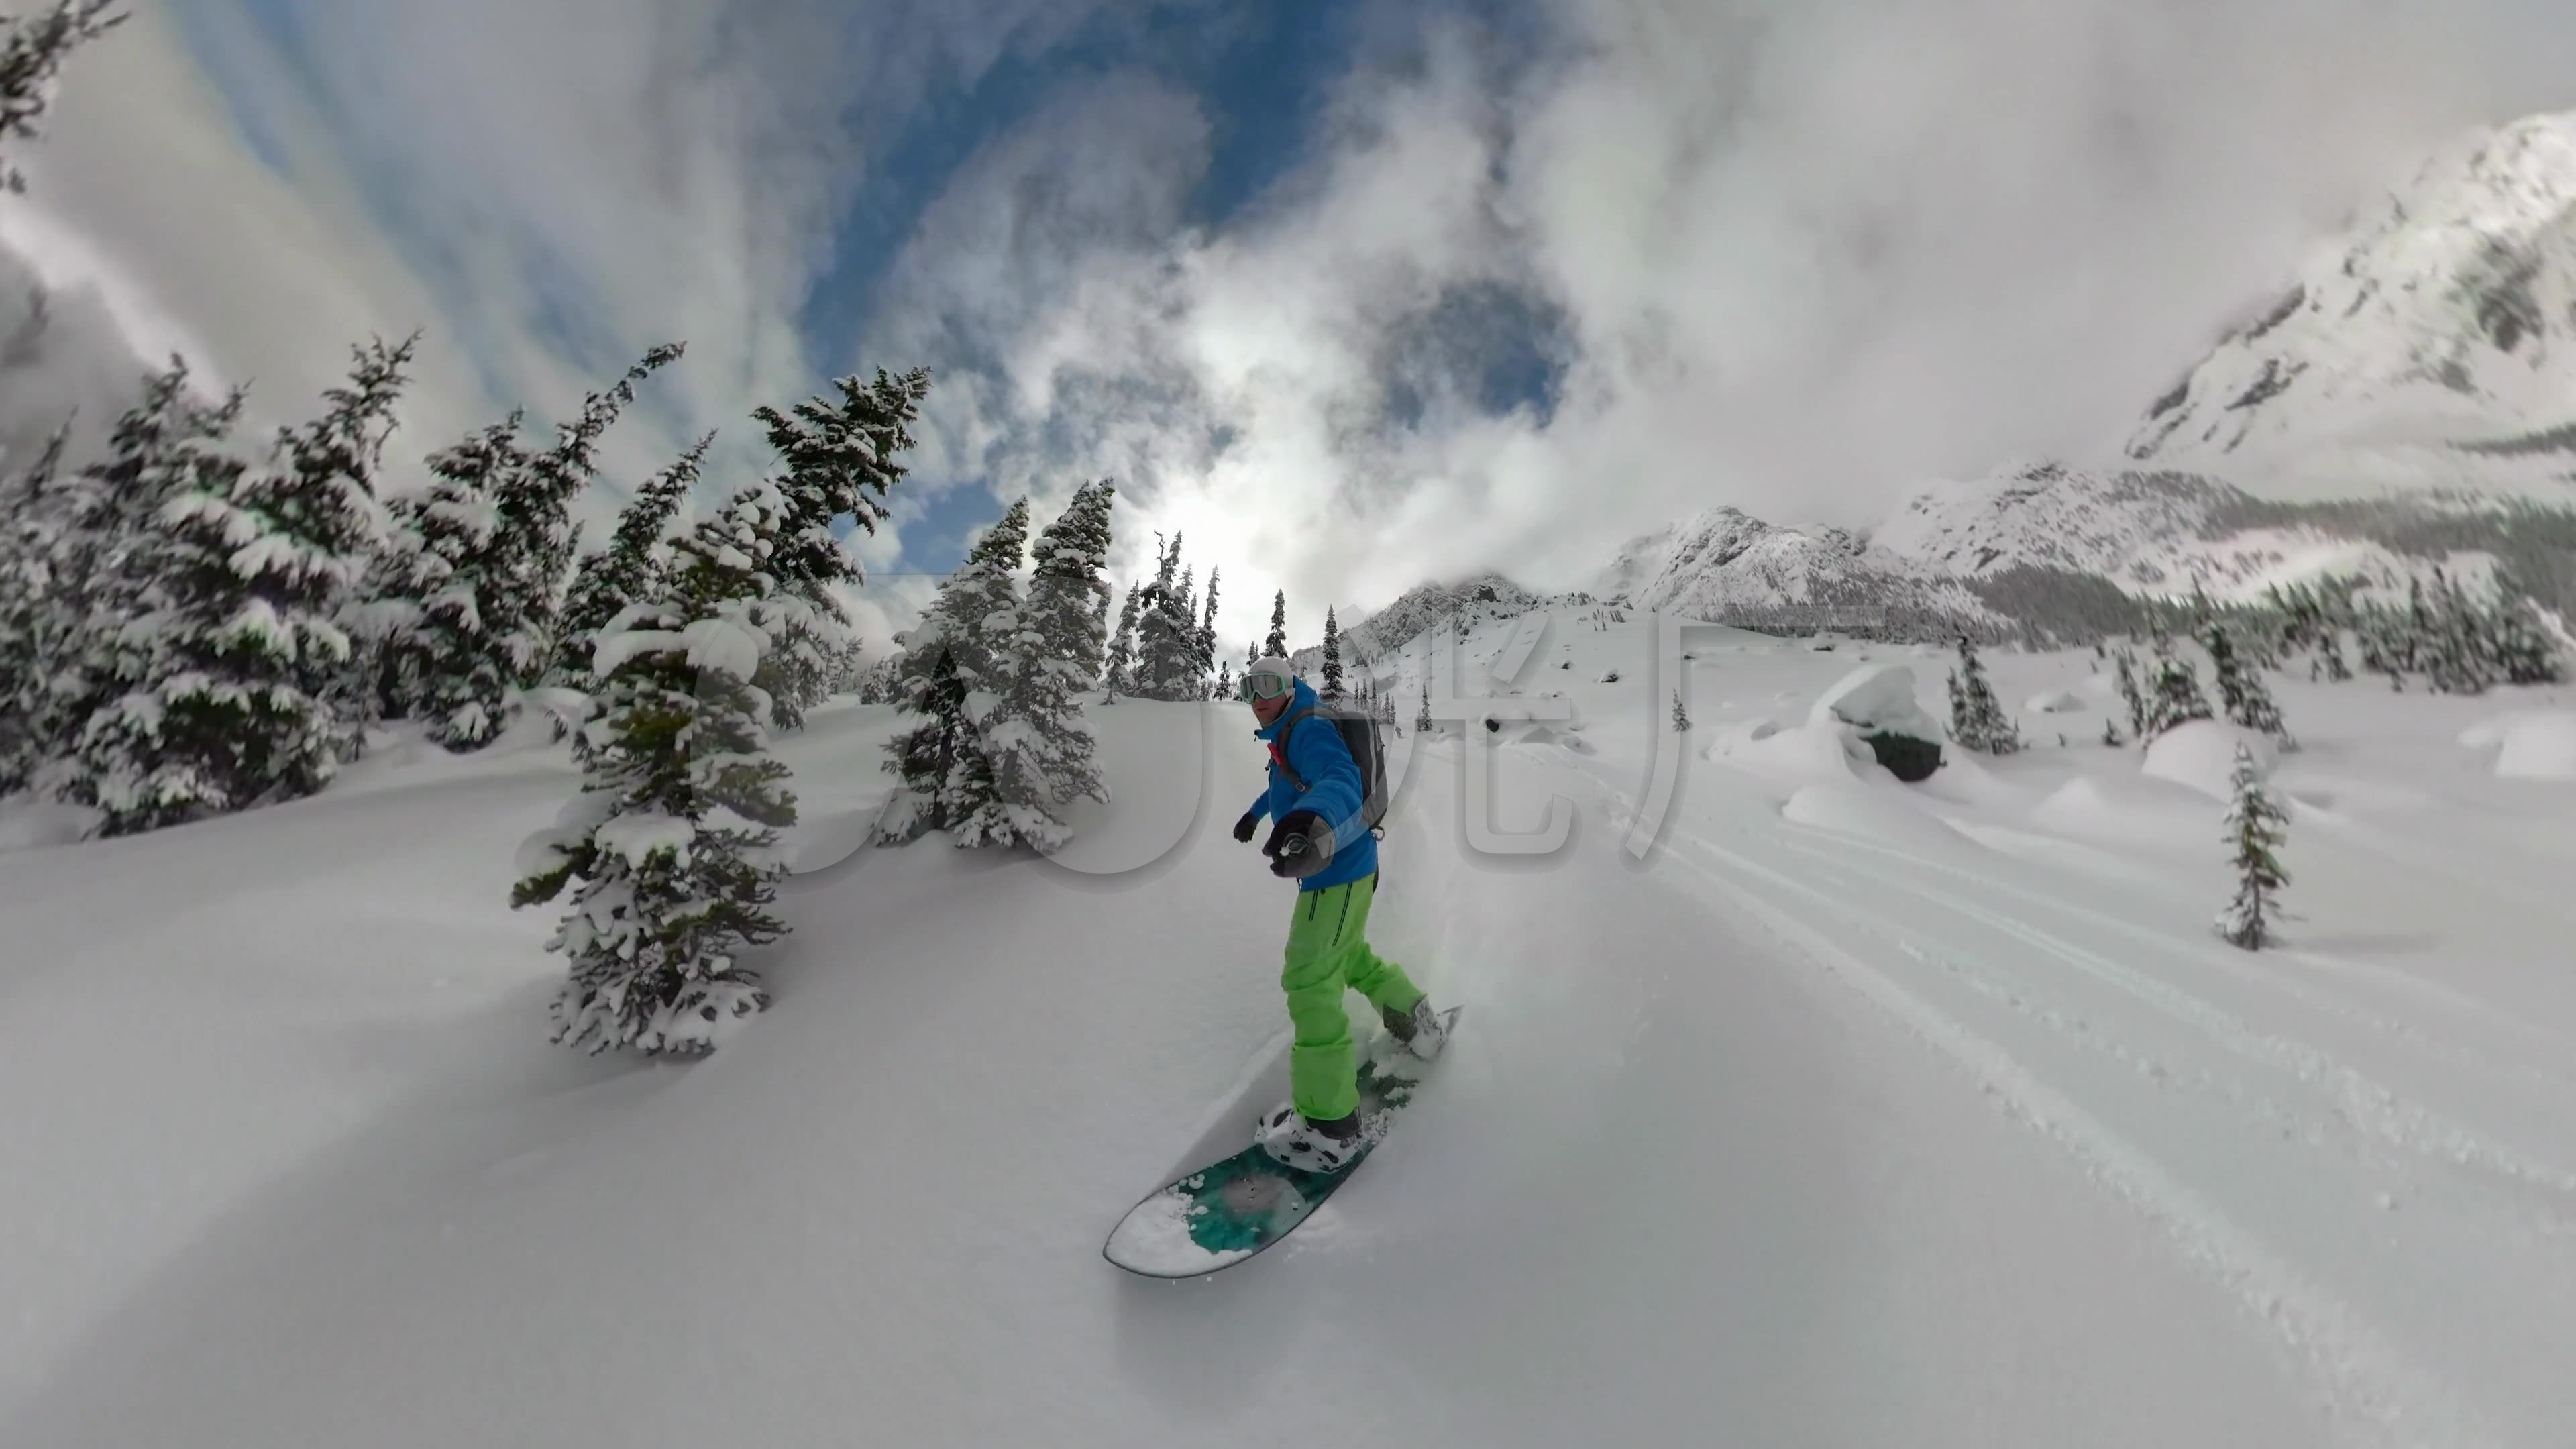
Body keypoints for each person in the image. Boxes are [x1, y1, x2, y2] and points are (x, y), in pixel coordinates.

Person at [1232, 656, 1446, 1173]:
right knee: (1348, 956)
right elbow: (1288, 783)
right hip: (1348, 869)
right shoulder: (1291, 730)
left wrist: (1313, 823)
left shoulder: (1307, 730)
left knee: (1309, 980)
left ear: (1290, 685)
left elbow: (1340, 779)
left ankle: (1330, 1129)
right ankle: (1415, 1021)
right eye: (1248, 688)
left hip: (1335, 874)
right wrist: (1257, 814)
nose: (1258, 697)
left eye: (1269, 685)